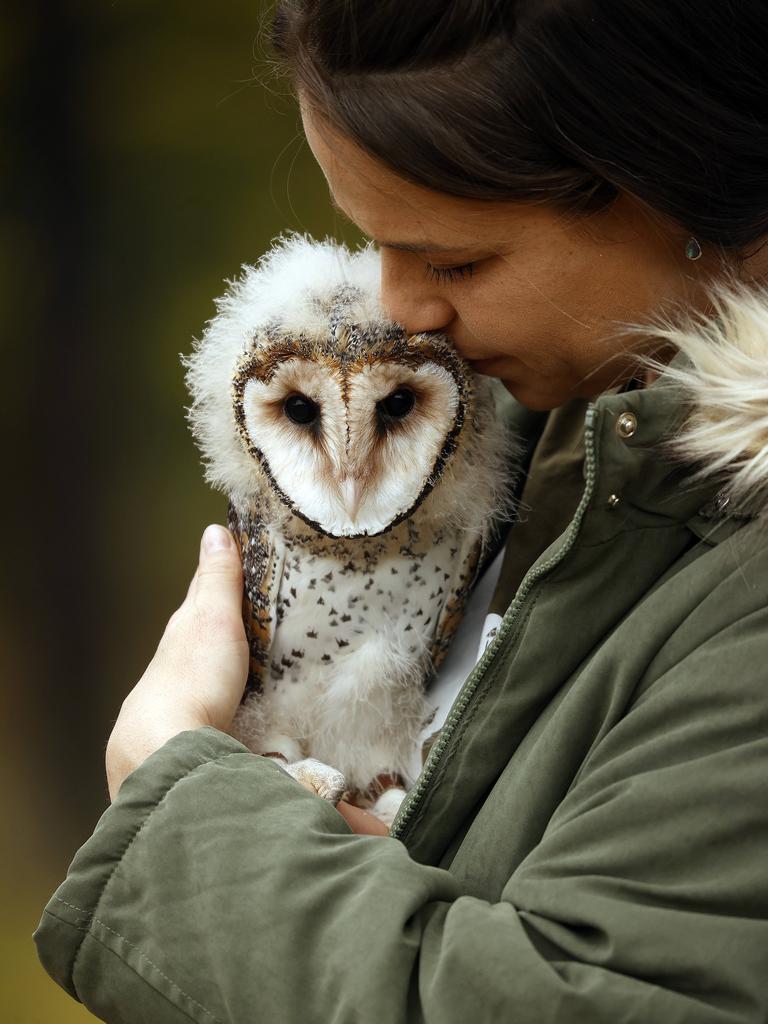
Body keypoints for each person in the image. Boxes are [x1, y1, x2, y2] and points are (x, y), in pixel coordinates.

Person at [35, 2, 768, 1020]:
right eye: (373, 242)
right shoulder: (567, 439)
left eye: (458, 260)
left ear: (702, 187)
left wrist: (180, 800)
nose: (402, 307)